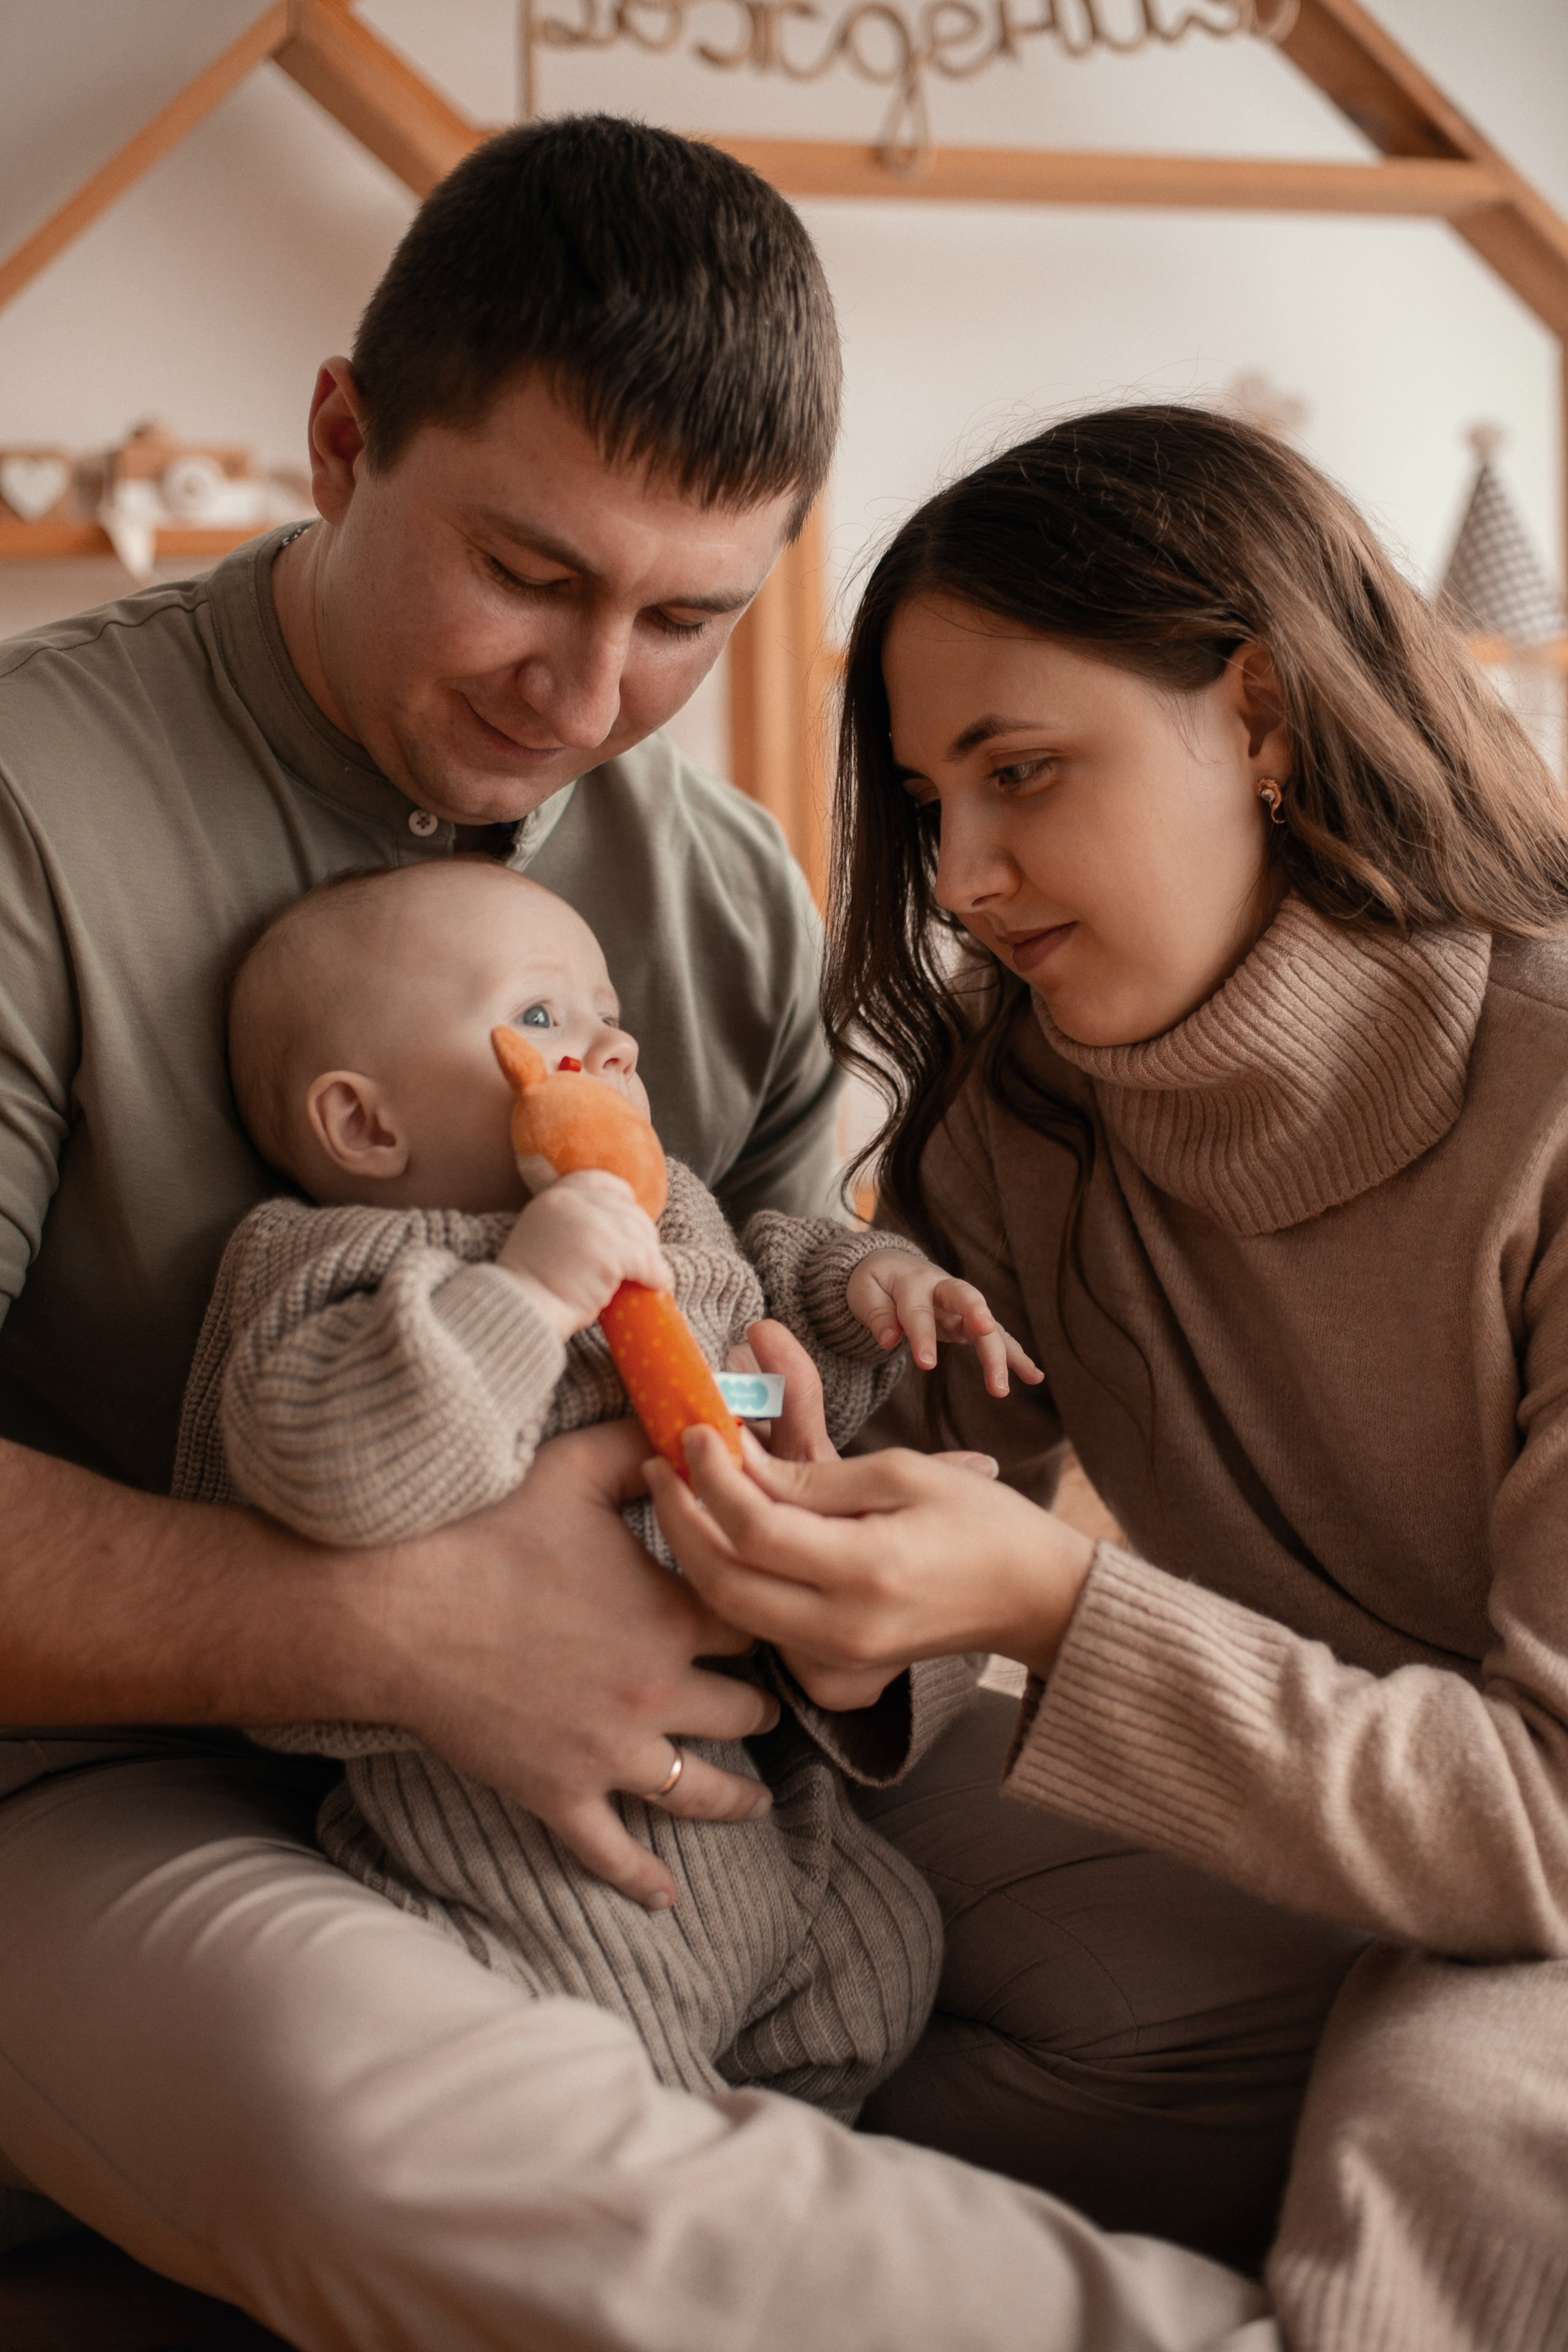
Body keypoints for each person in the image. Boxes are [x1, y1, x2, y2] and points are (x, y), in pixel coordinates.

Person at [0, 118, 1284, 2352]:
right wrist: (393, 1637)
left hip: (717, 1763)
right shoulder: (33, 810)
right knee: (382, 2137)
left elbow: (798, 1346)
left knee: (1273, 1996)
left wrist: (874, 1508)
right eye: (528, 573)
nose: (588, 700)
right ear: (342, 441)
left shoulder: (718, 886)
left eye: (688, 620)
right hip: (106, 1778)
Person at [652, 403, 1568, 2352]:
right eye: (933, 800)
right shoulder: (1029, 1112)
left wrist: (1056, 1608)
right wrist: (823, 1541)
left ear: (1262, 716)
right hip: (1389, 1831)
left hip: (1527, 1855)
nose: (965, 878)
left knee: (1437, 2125)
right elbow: (923, 1546)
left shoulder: (1550, 1096)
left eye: (1024, 773)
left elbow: (1547, 1819)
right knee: (738, 1910)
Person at [176, 853, 1031, 2112]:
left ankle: (809, 2147)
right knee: (603, 2087)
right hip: (527, 1864)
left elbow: (762, 1327)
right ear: (365, 1126)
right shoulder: (344, 1269)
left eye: (608, 1014)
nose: (613, 1045)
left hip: (767, 1818)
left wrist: (865, 1291)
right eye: (542, 1015)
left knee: (880, 1960)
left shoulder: (675, 1218)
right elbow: (334, 1470)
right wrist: (527, 1293)